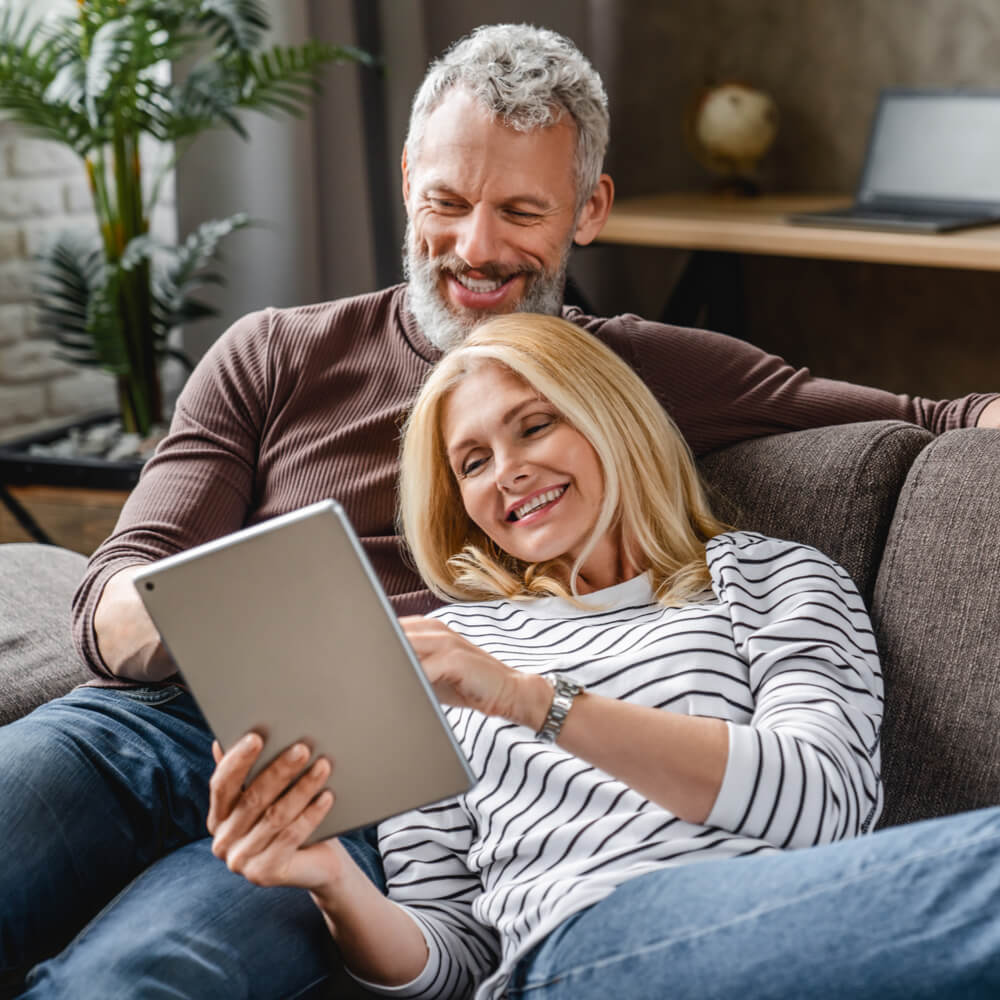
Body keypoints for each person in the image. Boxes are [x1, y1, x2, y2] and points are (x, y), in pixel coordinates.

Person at [0, 20, 998, 999]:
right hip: (155, 718)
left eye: (521, 212)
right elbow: (106, 608)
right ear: (405, 183)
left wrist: (468, 690)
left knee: (145, 970)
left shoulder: (637, 376)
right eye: (447, 201)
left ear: (588, 208)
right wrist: (256, 622)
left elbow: (934, 416)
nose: (475, 250)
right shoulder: (273, 352)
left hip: (364, 782)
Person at [208, 313, 1000, 999]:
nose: (508, 471)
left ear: (609, 417)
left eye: (534, 424)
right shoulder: (458, 653)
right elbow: (449, 960)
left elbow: (823, 803)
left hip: (795, 934)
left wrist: (532, 701)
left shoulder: (772, 579)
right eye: (473, 462)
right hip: (577, 954)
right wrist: (332, 881)